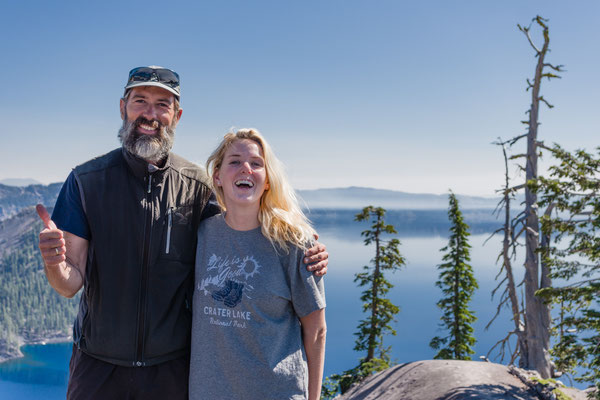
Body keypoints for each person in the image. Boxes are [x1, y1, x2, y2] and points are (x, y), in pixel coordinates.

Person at [36, 66, 329, 400]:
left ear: (177, 115)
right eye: (140, 101)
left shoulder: (197, 187)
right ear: (123, 108)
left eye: (163, 104)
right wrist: (54, 262)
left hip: (172, 370)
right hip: (98, 367)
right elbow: (69, 284)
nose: (150, 113)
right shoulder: (86, 181)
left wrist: (305, 245)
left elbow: (243, 224)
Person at [190, 128, 327, 400]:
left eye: (256, 164)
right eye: (235, 161)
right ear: (217, 176)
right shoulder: (199, 234)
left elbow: (316, 330)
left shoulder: (295, 244)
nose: (246, 169)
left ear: (267, 181)